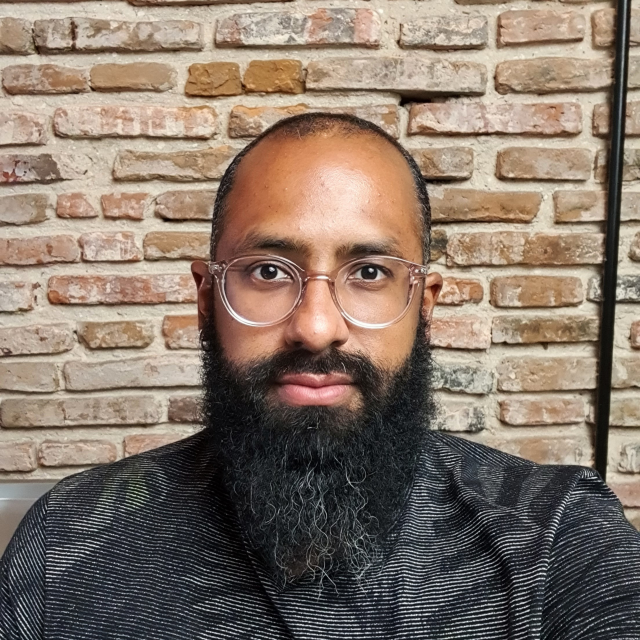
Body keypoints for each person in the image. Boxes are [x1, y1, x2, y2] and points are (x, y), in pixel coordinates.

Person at [1, 113, 639, 640]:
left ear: (424, 306)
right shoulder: (68, 541)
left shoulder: (555, 538)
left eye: (369, 273)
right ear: (205, 298)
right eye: (268, 271)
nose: (315, 327)